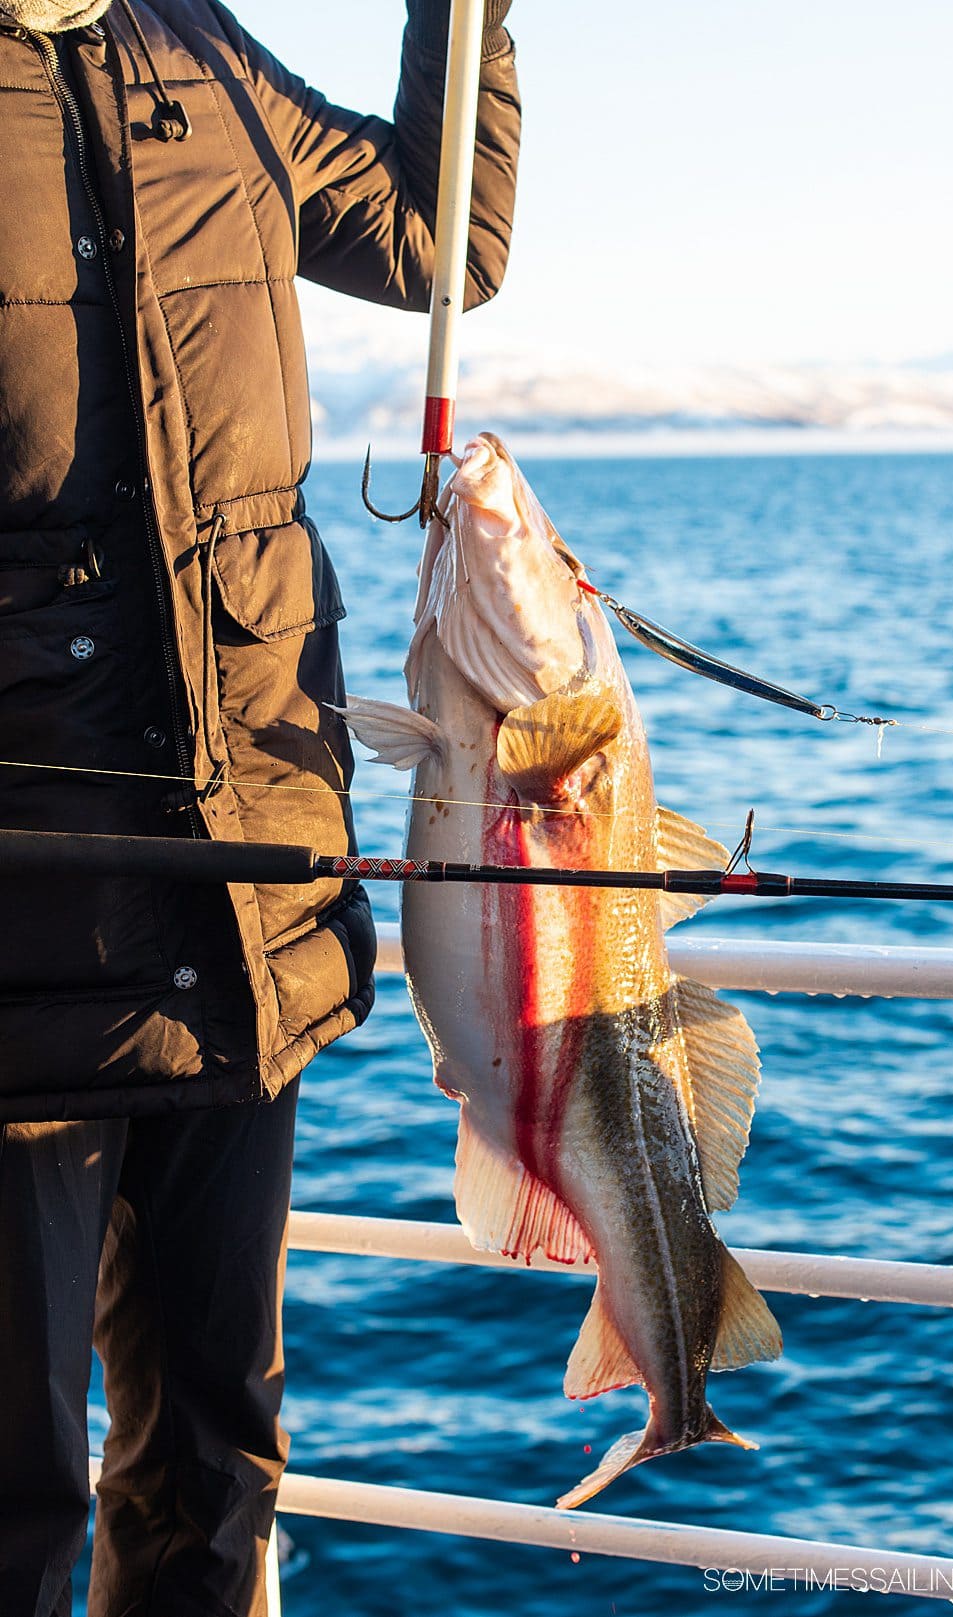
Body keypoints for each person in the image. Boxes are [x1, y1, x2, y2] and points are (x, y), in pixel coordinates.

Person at [0, 0, 520, 1609]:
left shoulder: (198, 47)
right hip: (22, 961)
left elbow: (441, 241)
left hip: (247, 923)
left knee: (215, 1479)